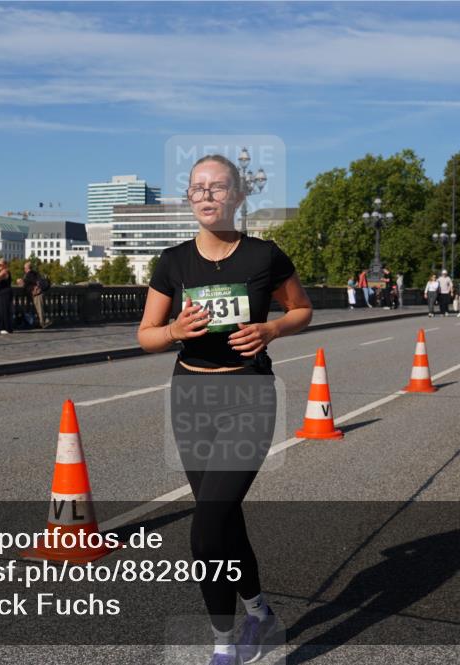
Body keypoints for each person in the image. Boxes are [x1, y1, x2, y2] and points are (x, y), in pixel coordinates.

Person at [138, 154, 312, 665]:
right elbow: (146, 334)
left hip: (249, 396)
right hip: (191, 397)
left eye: (218, 187)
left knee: (208, 522)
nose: (207, 195)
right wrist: (173, 331)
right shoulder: (173, 262)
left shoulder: (264, 256)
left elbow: (301, 308)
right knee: (224, 519)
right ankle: (259, 613)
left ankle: (223, 644)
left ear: (237, 197)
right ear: (188, 198)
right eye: (197, 188)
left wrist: (271, 328)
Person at [17, 260, 50, 328]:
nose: (24, 269)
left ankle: (42, 323)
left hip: (37, 294)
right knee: (39, 309)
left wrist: (20, 281)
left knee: (39, 310)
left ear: (27, 268)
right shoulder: (35, 273)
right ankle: (42, 322)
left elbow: (28, 283)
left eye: (24, 268)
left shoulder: (29, 275)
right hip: (39, 293)